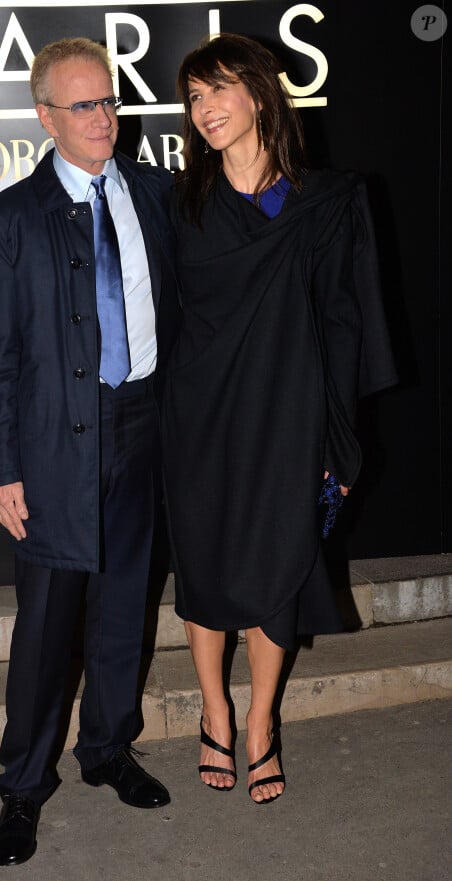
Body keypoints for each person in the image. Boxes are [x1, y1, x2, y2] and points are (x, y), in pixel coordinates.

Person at [161, 34, 397, 805]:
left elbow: (344, 325)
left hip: (287, 418)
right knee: (203, 566)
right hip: (199, 421)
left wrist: (337, 436)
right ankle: (214, 708)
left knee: (276, 568)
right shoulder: (180, 202)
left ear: (260, 94)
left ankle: (261, 719)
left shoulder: (326, 203)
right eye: (193, 98)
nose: (204, 111)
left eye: (218, 90)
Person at [0, 37, 180, 866]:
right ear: (46, 115)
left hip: (143, 428)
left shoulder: (158, 194)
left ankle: (106, 750)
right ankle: (23, 785)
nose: (104, 119)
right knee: (46, 627)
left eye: (110, 102)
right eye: (84, 105)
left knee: (125, 607)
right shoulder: (10, 217)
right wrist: (2, 466)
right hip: (54, 444)